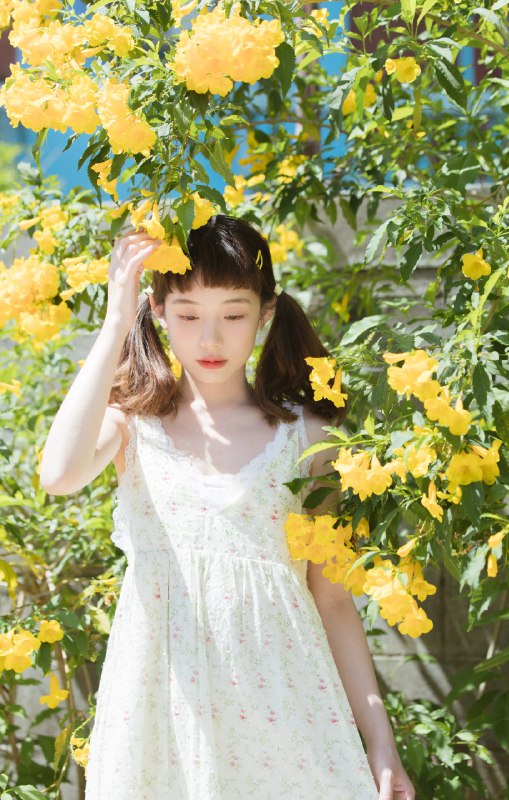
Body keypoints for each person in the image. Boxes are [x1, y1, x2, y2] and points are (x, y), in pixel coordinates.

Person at [39, 215, 415, 800]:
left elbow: (333, 598)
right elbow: (59, 474)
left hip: (284, 711)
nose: (210, 339)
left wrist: (381, 745)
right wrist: (116, 320)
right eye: (188, 315)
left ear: (265, 314)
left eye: (233, 315)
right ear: (158, 312)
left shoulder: (309, 439)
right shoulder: (133, 426)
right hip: (160, 716)